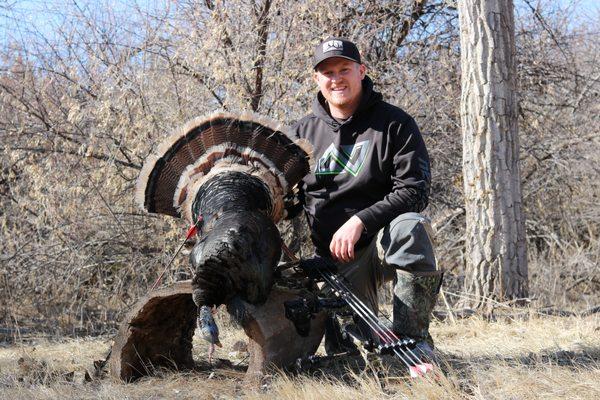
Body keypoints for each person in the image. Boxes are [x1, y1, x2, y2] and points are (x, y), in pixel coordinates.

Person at [289, 37, 443, 358]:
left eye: (344, 69)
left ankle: (413, 339)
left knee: (410, 227)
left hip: (381, 245)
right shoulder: (300, 135)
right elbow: (284, 201)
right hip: (334, 265)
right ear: (317, 79)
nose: (337, 79)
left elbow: (415, 190)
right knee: (350, 353)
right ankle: (367, 333)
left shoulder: (395, 123)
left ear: (361, 71)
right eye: (328, 72)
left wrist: (360, 220)